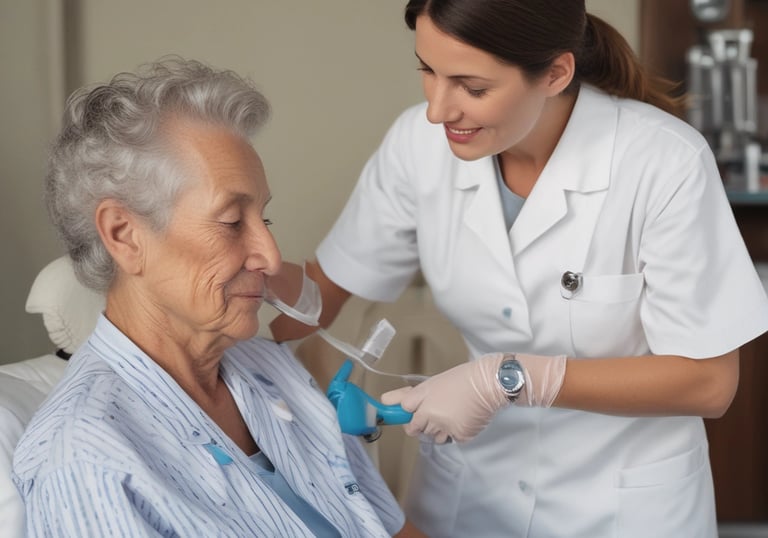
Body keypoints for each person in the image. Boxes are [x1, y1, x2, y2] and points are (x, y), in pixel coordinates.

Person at [269, 1, 768, 537]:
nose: (439, 110)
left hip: (622, 507)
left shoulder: (663, 162)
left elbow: (709, 383)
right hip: (469, 494)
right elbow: (320, 295)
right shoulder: (418, 144)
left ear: (555, 73)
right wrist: (236, 279)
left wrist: (508, 379)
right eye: (427, 71)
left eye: (472, 87)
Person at [12, 56, 424, 538]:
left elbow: (392, 530)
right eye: (231, 222)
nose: (271, 257)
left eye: (263, 220)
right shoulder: (89, 461)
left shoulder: (272, 370)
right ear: (124, 235)